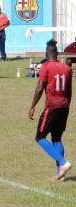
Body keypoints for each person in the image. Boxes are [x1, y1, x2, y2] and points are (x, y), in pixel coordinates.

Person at [28, 39, 72, 181]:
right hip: (64, 106)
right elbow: (70, 91)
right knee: (57, 138)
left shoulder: (45, 67)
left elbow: (40, 88)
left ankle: (63, 163)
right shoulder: (67, 68)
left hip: (52, 107)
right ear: (57, 53)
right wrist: (67, 105)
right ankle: (60, 174)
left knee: (40, 137)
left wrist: (32, 106)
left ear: (47, 53)